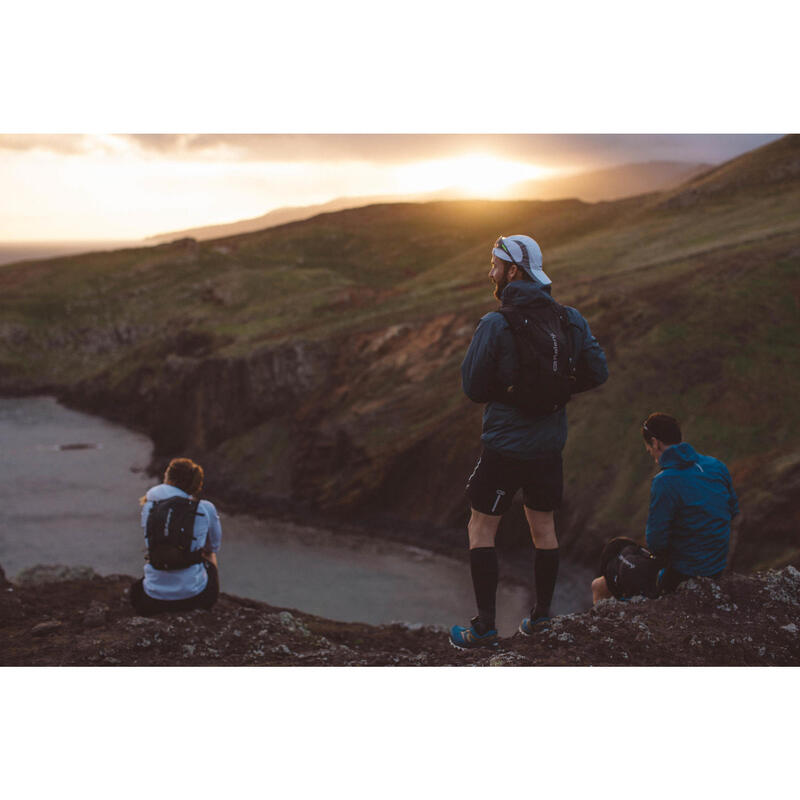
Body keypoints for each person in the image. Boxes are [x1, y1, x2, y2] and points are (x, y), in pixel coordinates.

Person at [450, 234, 609, 649]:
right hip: (548, 447)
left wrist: (510, 392)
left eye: (495, 265)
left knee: (482, 527)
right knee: (544, 528)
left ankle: (484, 627)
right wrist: (558, 388)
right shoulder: (569, 318)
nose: (491, 272)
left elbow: (472, 386)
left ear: (513, 270)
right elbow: (598, 371)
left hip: (504, 446)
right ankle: (541, 620)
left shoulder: (495, 323)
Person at [591, 413, 740, 604]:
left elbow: (656, 542)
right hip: (717, 566)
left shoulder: (665, 481)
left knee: (600, 583)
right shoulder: (716, 465)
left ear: (655, 443)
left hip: (683, 574)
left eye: (648, 448)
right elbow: (733, 510)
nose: (651, 454)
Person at [129, 457, 222, 614]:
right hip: (195, 598)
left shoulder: (149, 506)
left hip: (152, 600)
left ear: (168, 478)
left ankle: (161, 586)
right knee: (209, 553)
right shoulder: (205, 508)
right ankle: (201, 599)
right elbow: (213, 547)